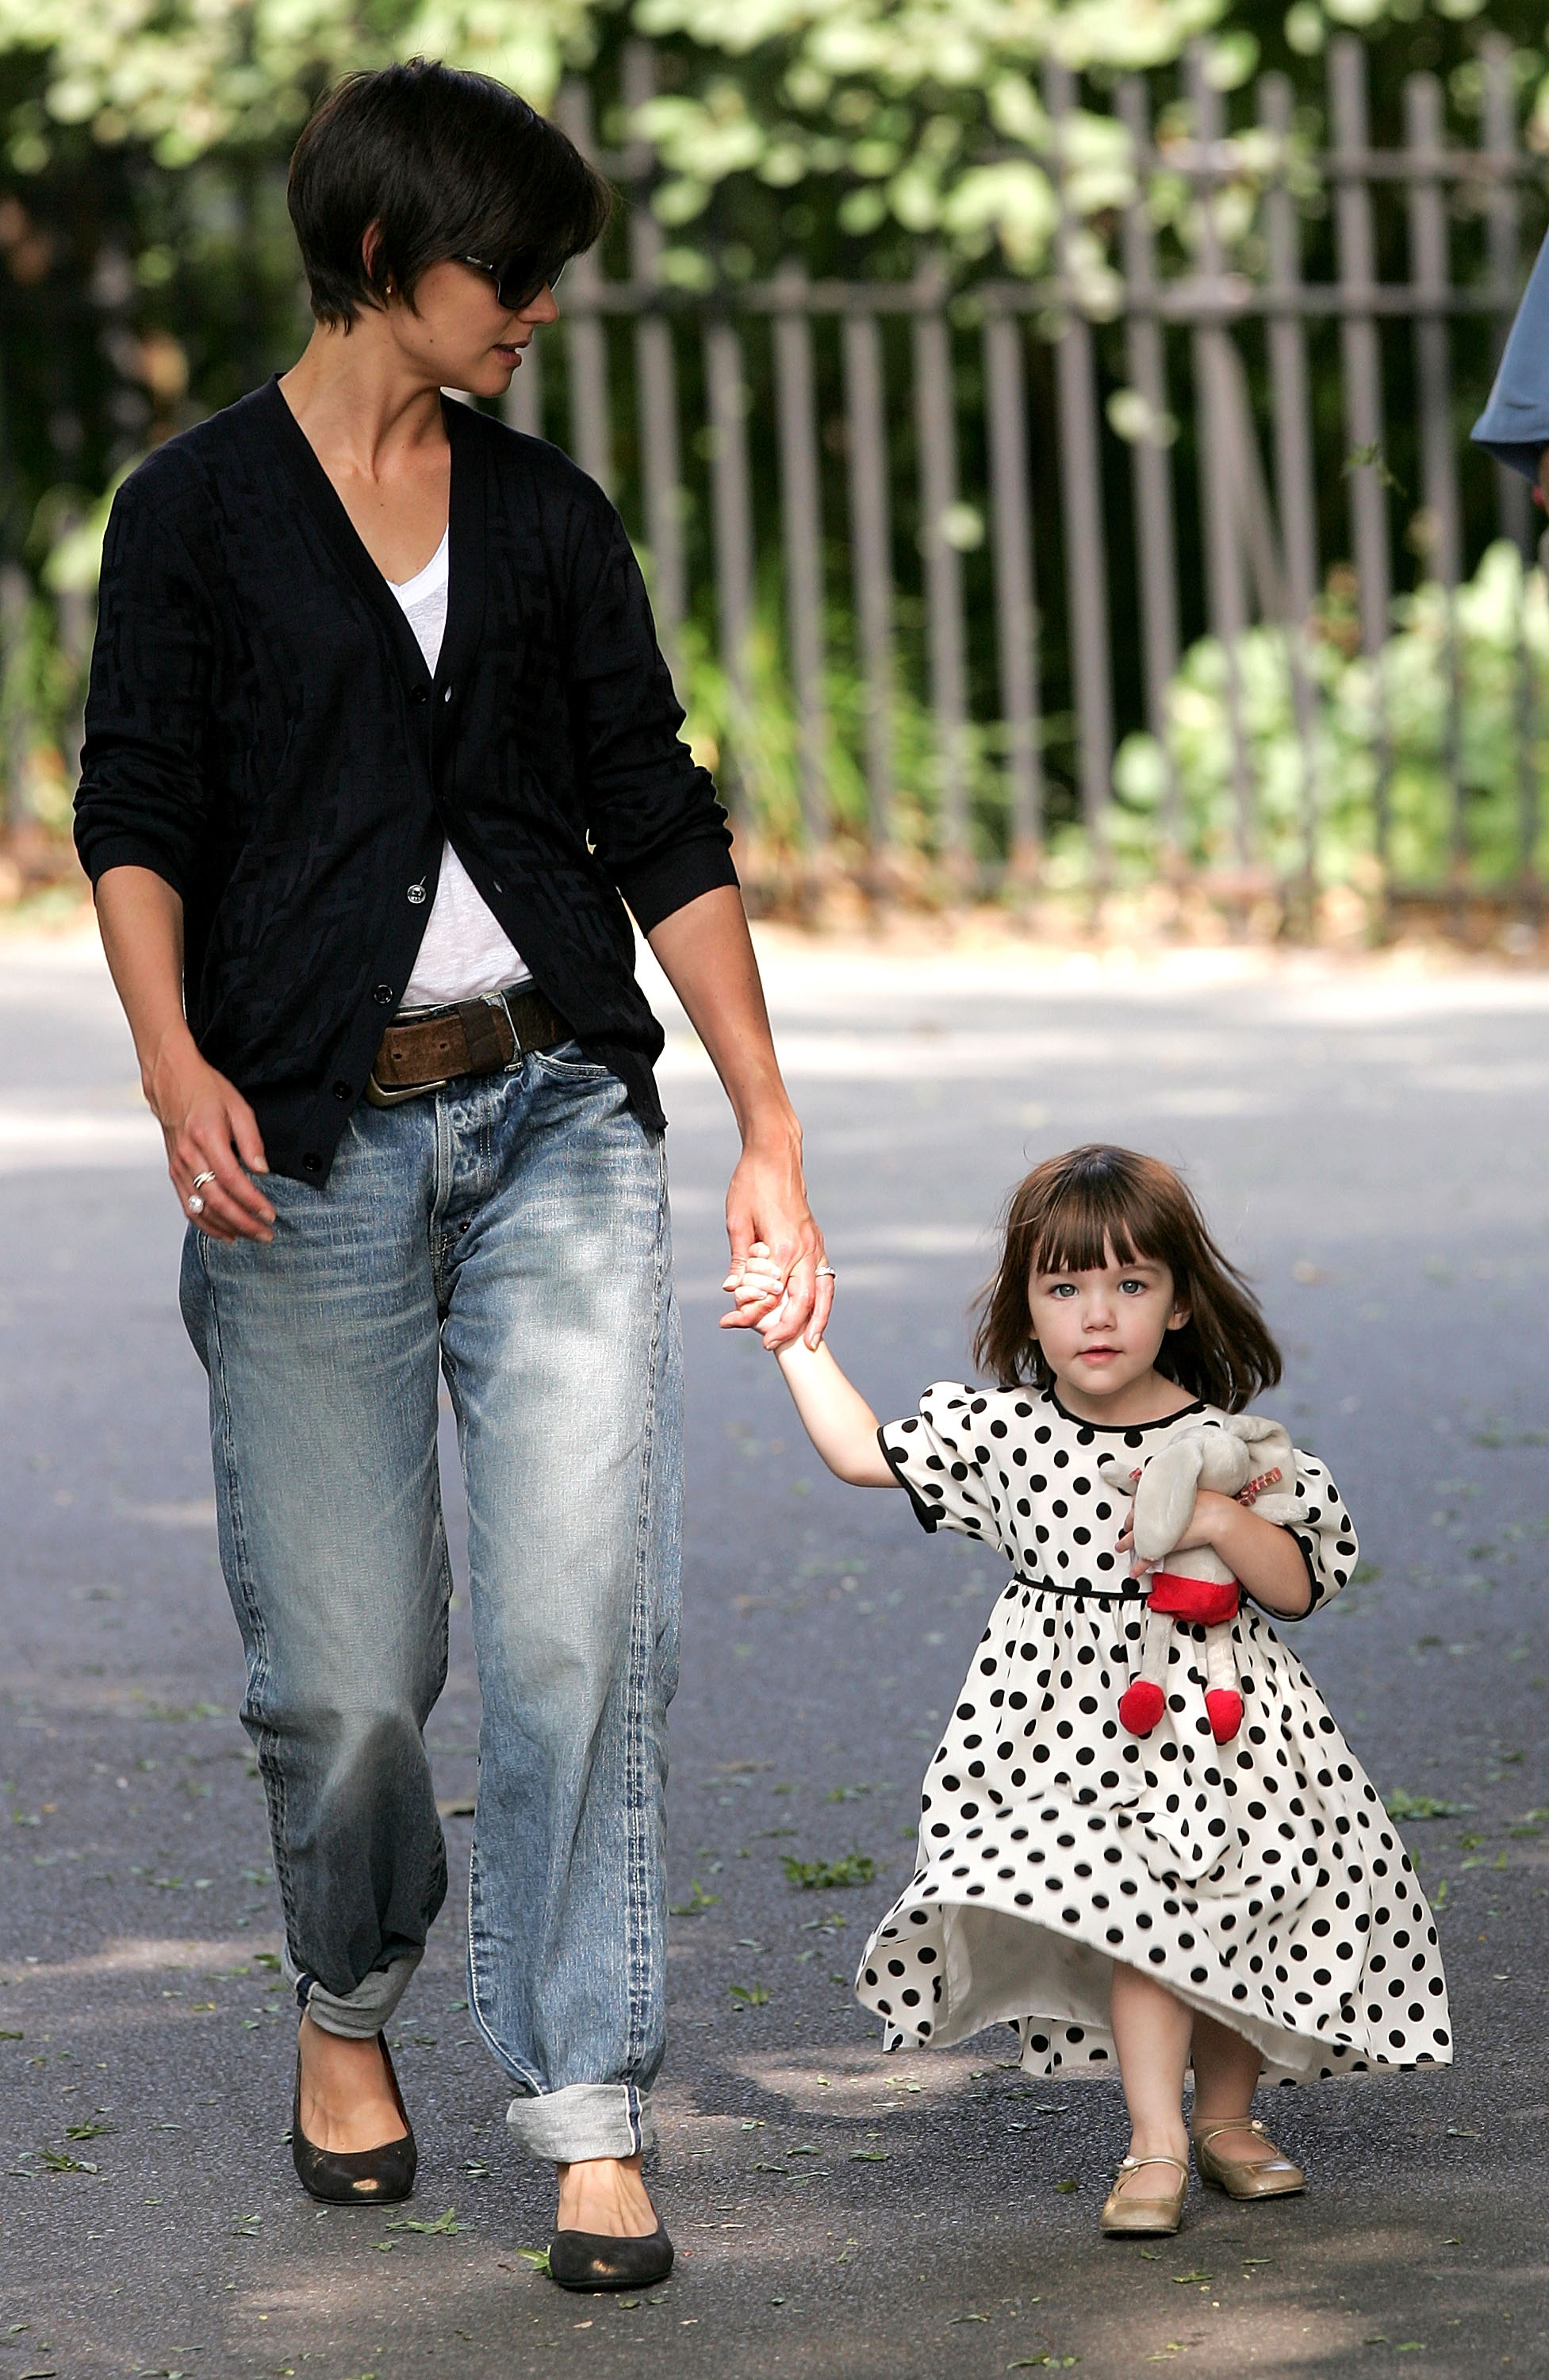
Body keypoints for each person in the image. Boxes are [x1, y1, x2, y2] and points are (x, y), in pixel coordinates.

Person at [73, 59, 829, 2292]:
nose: (544, 316)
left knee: (582, 1620)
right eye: (518, 275)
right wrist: (168, 1060)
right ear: (395, 261)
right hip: (301, 1140)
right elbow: (136, 814)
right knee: (352, 1674)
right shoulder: (193, 511)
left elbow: (656, 816)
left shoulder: (543, 515)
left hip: (555, 1118)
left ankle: (591, 2099)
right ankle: (346, 1999)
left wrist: (766, 1118)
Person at [730, 1145, 1450, 2236]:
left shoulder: (1230, 1450)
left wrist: (1216, 1520)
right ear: (1025, 1307)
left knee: (1239, 1907)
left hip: (1225, 1720)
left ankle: (1224, 2120)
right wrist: (796, 1340)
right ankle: (1151, 2144)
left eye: (1129, 1284)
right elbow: (860, 1453)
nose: (1095, 1313)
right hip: (1062, 1729)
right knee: (1137, 1915)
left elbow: (1298, 1586)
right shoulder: (1008, 1432)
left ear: (1175, 1303)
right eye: (1062, 1287)